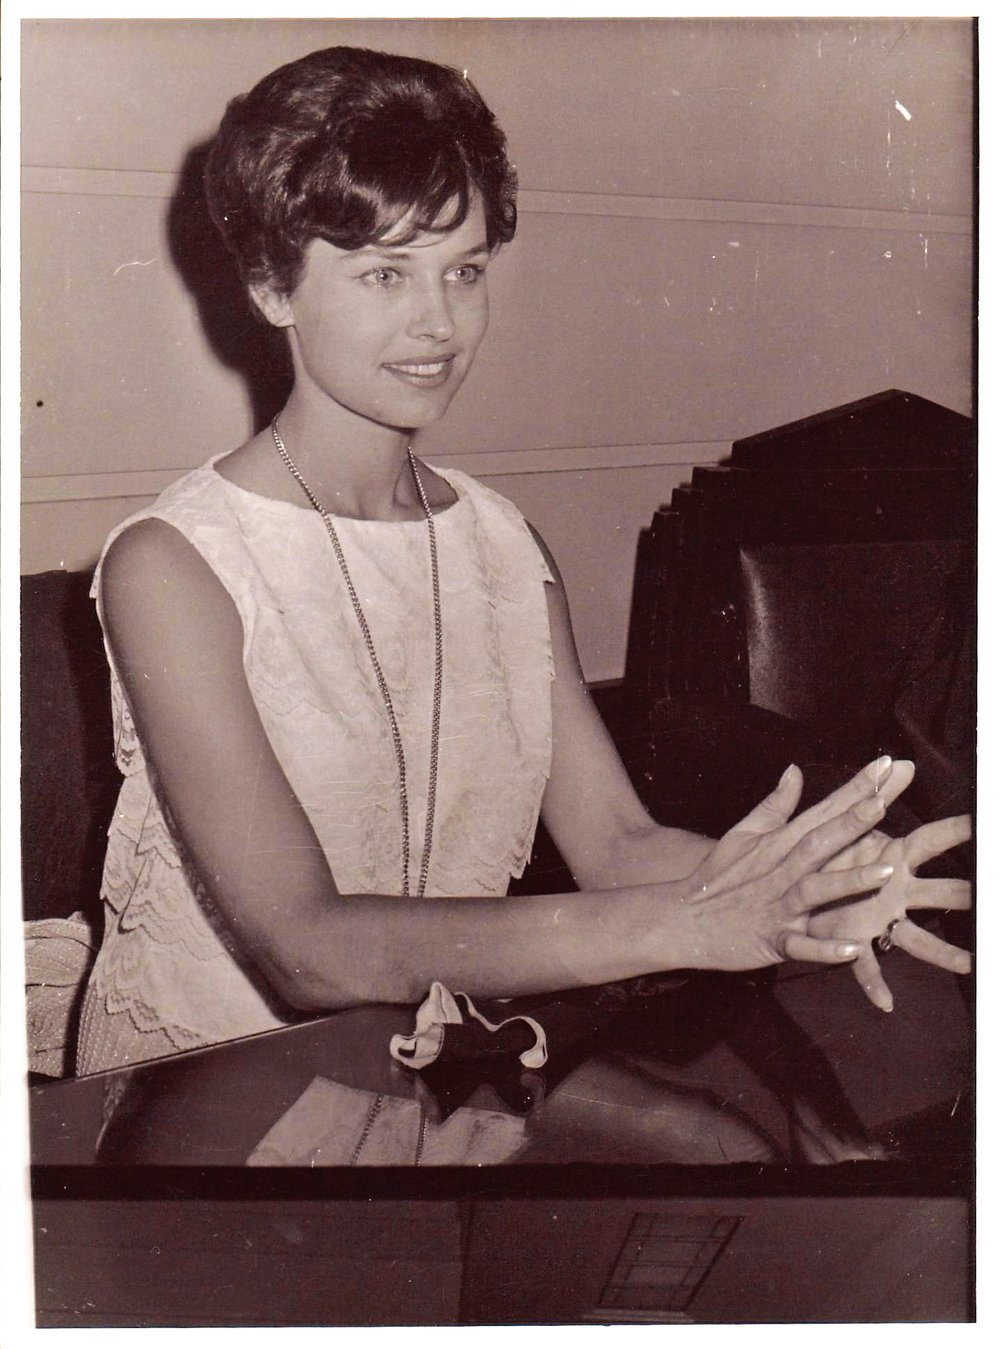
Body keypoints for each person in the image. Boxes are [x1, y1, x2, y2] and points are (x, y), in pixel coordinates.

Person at [74, 47, 970, 1158]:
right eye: (382, 272)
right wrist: (683, 922)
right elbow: (304, 945)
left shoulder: (499, 545)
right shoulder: (173, 563)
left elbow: (616, 838)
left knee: (749, 1151)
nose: (438, 324)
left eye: (464, 269)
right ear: (269, 287)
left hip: (430, 1061)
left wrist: (804, 888)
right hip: (210, 1093)